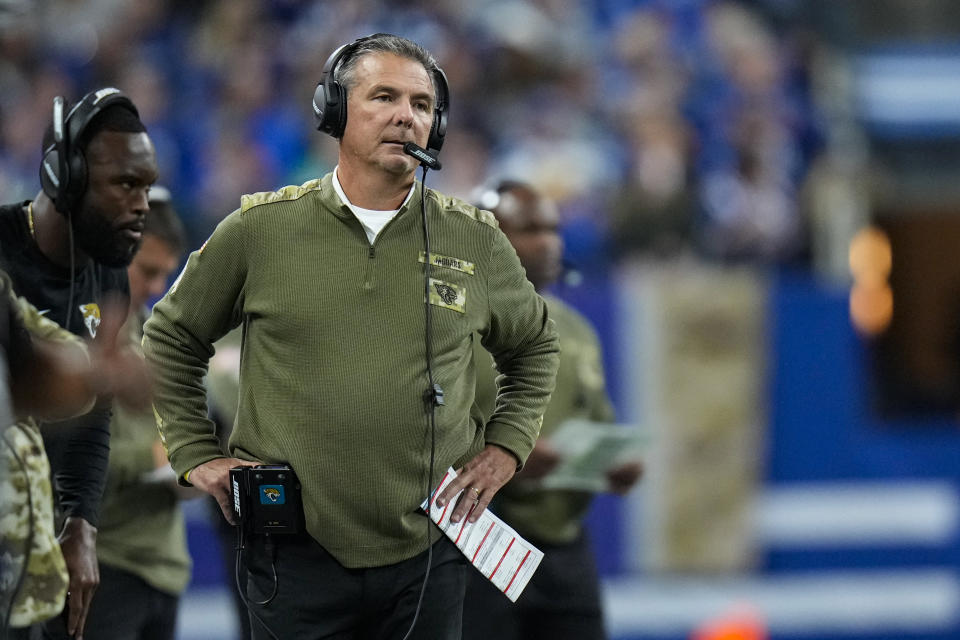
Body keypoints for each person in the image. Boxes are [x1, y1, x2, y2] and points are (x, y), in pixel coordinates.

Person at [142, 33, 559, 640]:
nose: (406, 116)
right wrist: (195, 454)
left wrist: (507, 447)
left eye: (421, 105)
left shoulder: (474, 239)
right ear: (334, 112)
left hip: (429, 550)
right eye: (383, 96)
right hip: (293, 555)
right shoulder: (259, 231)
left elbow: (534, 346)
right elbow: (171, 337)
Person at [0, 87, 158, 639]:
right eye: (125, 184)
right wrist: (95, 372)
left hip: (33, 545)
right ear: (62, 176)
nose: (142, 204)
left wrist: (80, 523)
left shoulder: (108, 268)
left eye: (147, 185)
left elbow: (94, 416)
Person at [462, 181, 644, 640]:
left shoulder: (577, 331)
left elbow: (599, 424)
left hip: (564, 544)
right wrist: (501, 456)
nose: (549, 242)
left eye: (553, 228)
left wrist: (615, 463)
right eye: (530, 229)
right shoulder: (448, 327)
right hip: (478, 540)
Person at [74, 188, 194, 640]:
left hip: (164, 565)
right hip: (104, 565)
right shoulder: (75, 340)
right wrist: (158, 459)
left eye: (166, 274)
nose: (157, 287)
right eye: (148, 271)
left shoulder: (158, 336)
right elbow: (66, 461)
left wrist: (194, 465)